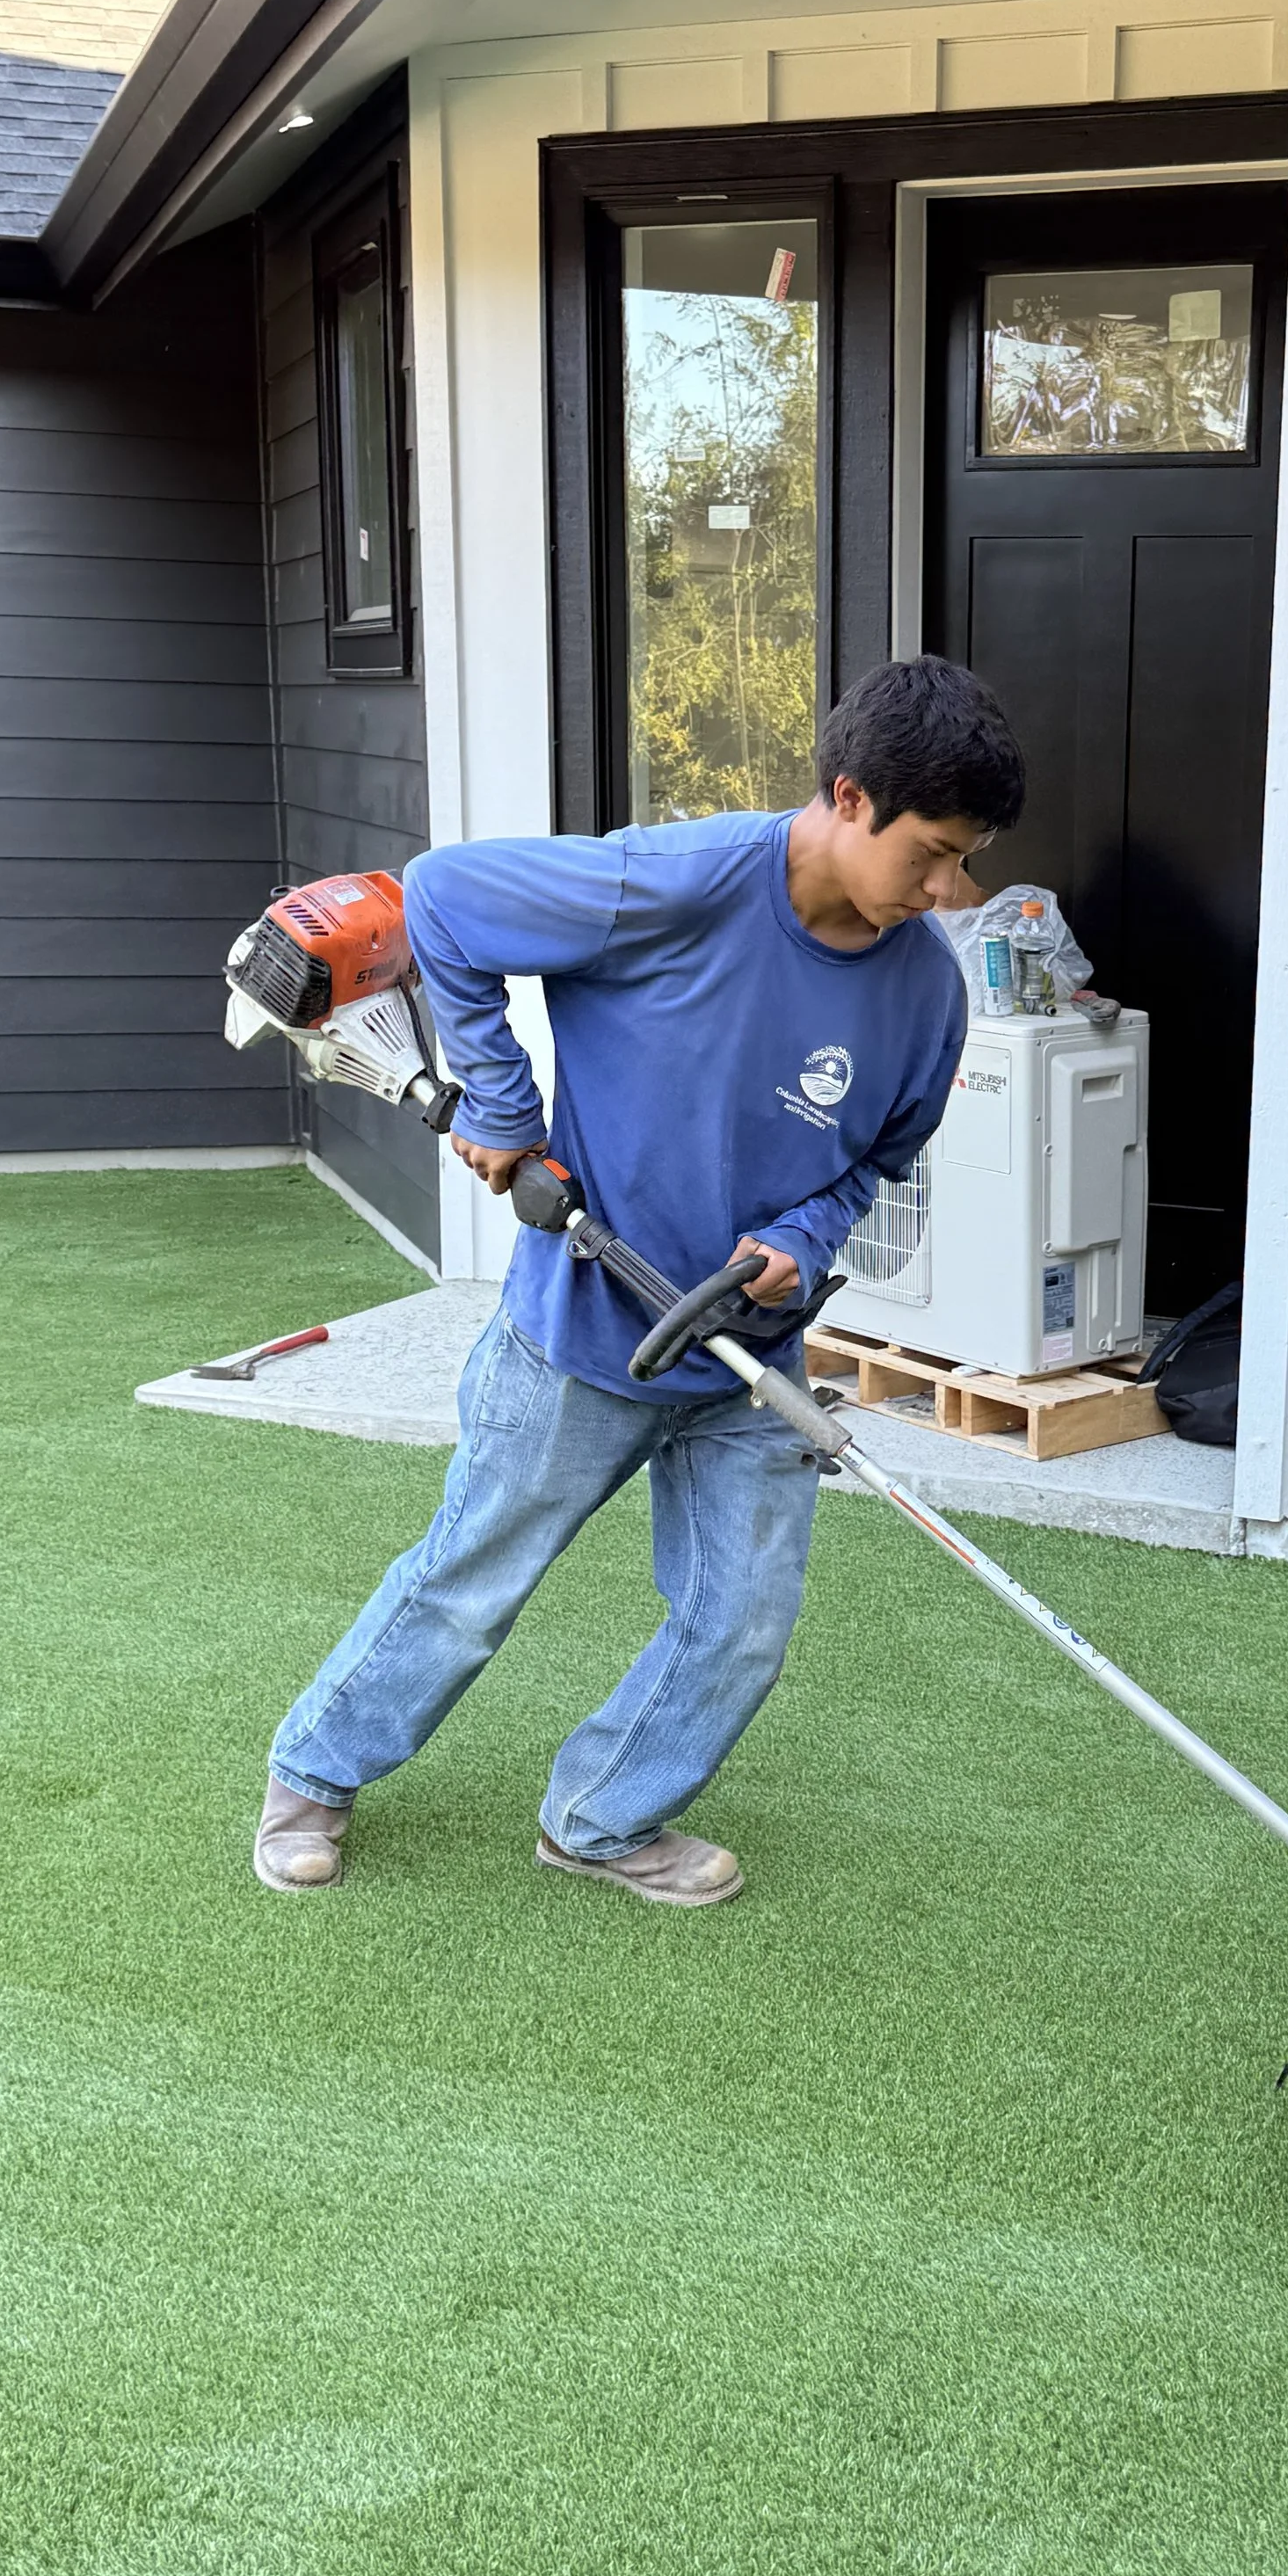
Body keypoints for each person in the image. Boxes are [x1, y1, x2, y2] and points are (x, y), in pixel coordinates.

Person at [254, 656, 1024, 1904]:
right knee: (469, 1585)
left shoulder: (925, 992)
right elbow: (442, 900)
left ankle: (604, 1818)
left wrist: (805, 1239)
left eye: (968, 857)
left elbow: (877, 1161)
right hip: (582, 1330)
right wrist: (503, 1101)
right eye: (933, 852)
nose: (950, 889)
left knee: (742, 1623)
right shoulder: (674, 883)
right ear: (848, 796)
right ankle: (314, 1773)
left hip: (749, 1350)